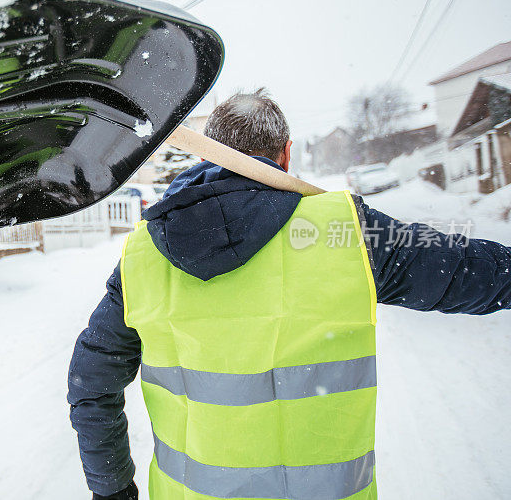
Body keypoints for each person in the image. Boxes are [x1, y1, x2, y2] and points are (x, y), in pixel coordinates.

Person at [67, 88, 511, 500]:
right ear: (286, 152)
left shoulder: (143, 255)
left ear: (209, 151)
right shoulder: (346, 232)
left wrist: (112, 488)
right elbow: (464, 271)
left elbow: (92, 381)